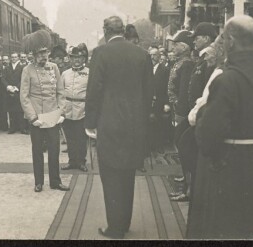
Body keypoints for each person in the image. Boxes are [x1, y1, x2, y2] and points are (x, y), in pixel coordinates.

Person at [187, 15, 253, 239]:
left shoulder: (227, 80)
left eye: (222, 40)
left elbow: (208, 137)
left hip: (233, 170)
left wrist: (202, 115)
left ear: (230, 41)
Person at [85, 16, 153, 239]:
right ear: (123, 31)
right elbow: (148, 92)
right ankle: (124, 223)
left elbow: (94, 90)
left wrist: (90, 123)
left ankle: (115, 228)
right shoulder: (142, 55)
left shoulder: (100, 53)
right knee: (127, 174)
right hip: (135, 125)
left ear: (105, 31)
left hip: (109, 124)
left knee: (111, 174)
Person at [20, 30, 69, 193]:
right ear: (34, 54)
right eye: (40, 53)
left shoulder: (54, 68)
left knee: (54, 151)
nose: (43, 56)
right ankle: (39, 182)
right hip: (37, 117)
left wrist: (61, 113)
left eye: (45, 52)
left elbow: (60, 92)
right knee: (37, 151)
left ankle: (55, 181)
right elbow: (24, 96)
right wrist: (32, 117)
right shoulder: (27, 70)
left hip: (53, 116)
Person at [172, 23, 217, 202]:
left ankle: (192, 189)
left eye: (196, 38)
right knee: (183, 144)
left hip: (200, 114)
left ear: (206, 38)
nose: (194, 42)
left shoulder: (209, 60)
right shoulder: (201, 58)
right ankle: (189, 188)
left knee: (186, 146)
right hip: (193, 112)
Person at [166, 30, 194, 197]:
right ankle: (185, 180)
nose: (173, 47)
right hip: (176, 111)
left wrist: (180, 115)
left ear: (184, 47)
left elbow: (184, 93)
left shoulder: (187, 64)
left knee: (184, 148)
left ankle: (187, 188)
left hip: (182, 114)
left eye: (176, 44)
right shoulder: (179, 62)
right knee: (180, 147)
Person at [60, 44, 89, 172]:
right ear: (70, 59)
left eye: (79, 58)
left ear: (83, 59)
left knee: (81, 137)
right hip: (67, 109)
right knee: (70, 137)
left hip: (82, 109)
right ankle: (72, 161)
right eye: (73, 58)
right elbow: (60, 91)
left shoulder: (89, 73)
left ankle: (82, 162)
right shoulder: (65, 74)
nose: (76, 60)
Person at [148, 48, 170, 156]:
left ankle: (159, 145)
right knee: (149, 123)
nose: (152, 57)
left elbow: (166, 87)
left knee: (159, 123)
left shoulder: (164, 70)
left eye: (154, 55)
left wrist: (166, 103)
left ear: (159, 56)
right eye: (150, 55)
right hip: (148, 100)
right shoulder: (146, 69)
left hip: (160, 100)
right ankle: (150, 145)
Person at [2, 52, 26, 134]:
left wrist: (16, 87)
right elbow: (3, 79)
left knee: (20, 110)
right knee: (11, 110)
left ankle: (22, 128)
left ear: (18, 58)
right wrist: (8, 86)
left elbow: (23, 79)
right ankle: (12, 128)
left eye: (15, 57)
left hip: (18, 91)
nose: (13, 58)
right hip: (9, 91)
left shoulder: (22, 67)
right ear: (10, 58)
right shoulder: (6, 68)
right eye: (12, 57)